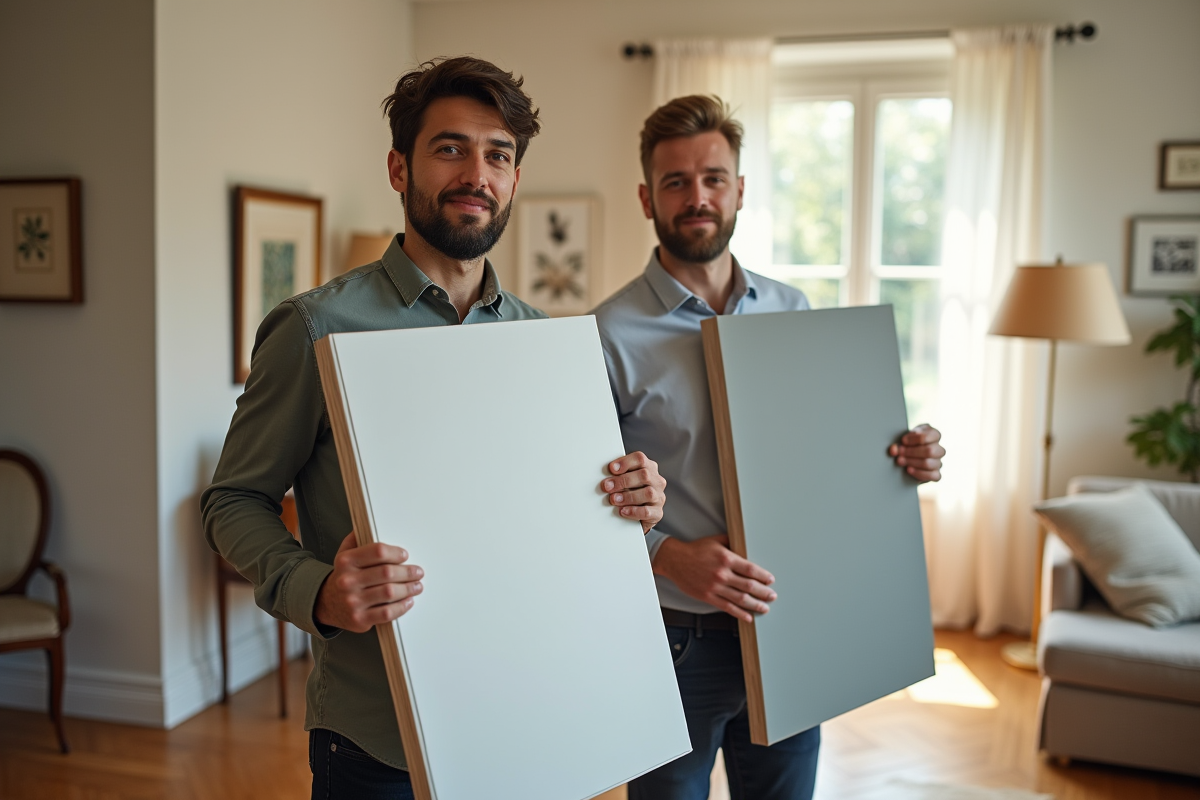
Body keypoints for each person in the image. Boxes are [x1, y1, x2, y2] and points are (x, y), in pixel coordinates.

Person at [200, 57, 667, 800]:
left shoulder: (545, 341)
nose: (475, 172)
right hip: (376, 738)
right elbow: (231, 502)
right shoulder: (314, 327)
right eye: (450, 147)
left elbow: (568, 519)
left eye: (498, 154)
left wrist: (635, 507)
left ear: (514, 179)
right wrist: (316, 590)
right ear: (398, 167)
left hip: (530, 712)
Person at [591, 94, 946, 800]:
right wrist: (669, 555)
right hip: (672, 638)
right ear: (646, 197)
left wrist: (903, 457)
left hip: (789, 623)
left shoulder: (795, 313)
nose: (698, 197)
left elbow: (825, 464)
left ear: (741, 190)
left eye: (714, 178)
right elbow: (577, 505)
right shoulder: (605, 332)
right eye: (676, 182)